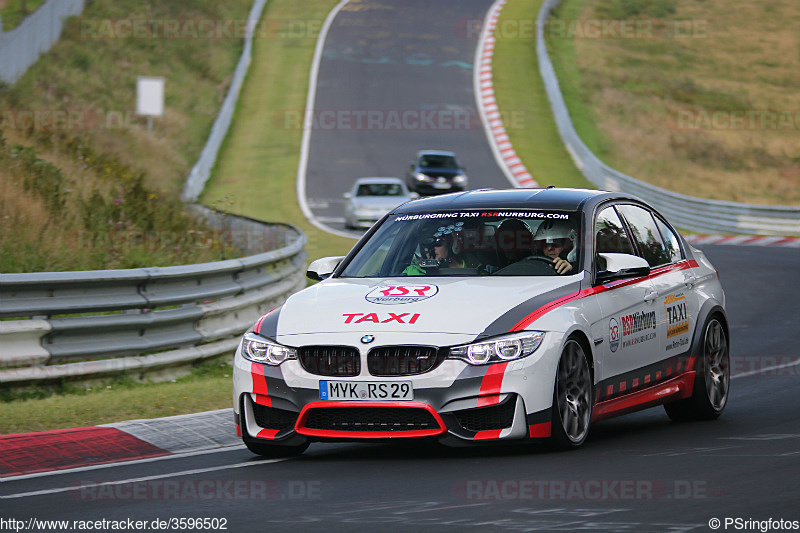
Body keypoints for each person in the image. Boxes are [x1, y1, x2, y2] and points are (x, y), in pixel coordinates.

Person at [403, 223, 471, 275]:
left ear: (450, 243)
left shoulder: (473, 268)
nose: (432, 248)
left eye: (438, 242)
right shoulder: (412, 271)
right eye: (427, 243)